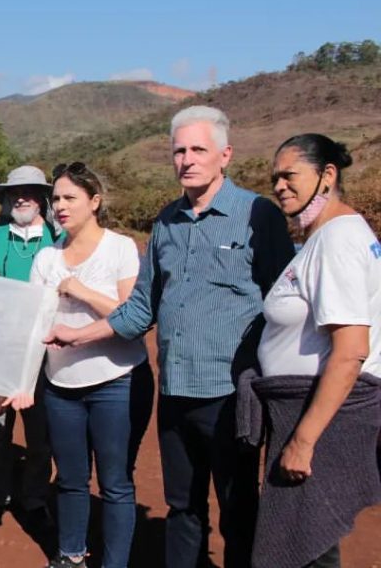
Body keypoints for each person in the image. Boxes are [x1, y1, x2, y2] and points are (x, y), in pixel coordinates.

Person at [46, 106, 295, 568]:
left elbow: (284, 301)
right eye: (179, 150)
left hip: (230, 393)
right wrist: (78, 335)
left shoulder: (258, 214)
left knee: (238, 508)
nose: (187, 159)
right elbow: (141, 307)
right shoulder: (166, 222)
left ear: (225, 155)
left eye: (198, 149)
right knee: (182, 508)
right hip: (176, 390)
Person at [248, 134, 380, 568]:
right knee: (305, 542)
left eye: (290, 175)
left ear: (327, 175)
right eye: (275, 178)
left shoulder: (337, 240)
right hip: (309, 413)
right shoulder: (327, 236)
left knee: (306, 548)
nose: (279, 186)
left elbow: (350, 351)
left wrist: (304, 441)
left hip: (320, 419)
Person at [25, 162, 150, 568]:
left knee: (115, 482)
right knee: (71, 479)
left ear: (94, 201)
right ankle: (71, 554)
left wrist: (81, 291)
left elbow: (133, 317)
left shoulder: (120, 248)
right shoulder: (46, 258)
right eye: (55, 199)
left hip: (117, 381)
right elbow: (33, 322)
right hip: (61, 385)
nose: (60, 206)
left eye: (69, 198)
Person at [0, 165, 57, 525]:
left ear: (42, 198)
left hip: (45, 350)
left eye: (29, 192)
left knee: (40, 429)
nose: (21, 198)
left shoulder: (58, 238)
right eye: (14, 193)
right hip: (0, 347)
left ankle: (35, 496)